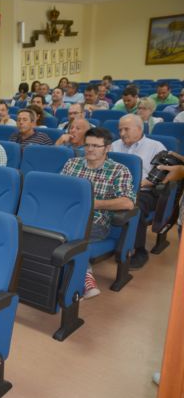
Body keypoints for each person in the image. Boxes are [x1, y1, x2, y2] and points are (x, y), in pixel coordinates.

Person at [61, 128, 135, 298]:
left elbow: (128, 202)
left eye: (95, 146)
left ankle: (81, 279)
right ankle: (84, 275)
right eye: (87, 145)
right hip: (67, 216)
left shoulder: (119, 170)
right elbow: (60, 189)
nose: (89, 149)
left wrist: (93, 203)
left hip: (96, 222)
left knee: (69, 238)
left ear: (107, 148)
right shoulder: (72, 164)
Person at [112, 114, 166, 269]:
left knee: (136, 206)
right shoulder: (115, 145)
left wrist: (138, 185)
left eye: (126, 129)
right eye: (120, 130)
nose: (122, 133)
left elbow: (161, 175)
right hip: (116, 188)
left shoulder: (156, 146)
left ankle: (139, 250)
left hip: (144, 190)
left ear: (139, 128)